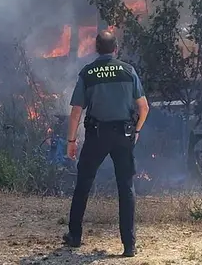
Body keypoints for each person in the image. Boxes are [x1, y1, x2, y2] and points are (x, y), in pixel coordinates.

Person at [62, 30, 150, 257]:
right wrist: (137, 130)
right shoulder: (128, 71)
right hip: (124, 136)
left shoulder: (88, 72)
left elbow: (75, 112)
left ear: (96, 49)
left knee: (83, 183)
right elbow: (144, 107)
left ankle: (74, 236)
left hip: (97, 136)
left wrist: (71, 140)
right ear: (116, 49)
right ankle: (129, 246)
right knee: (126, 187)